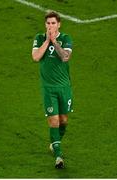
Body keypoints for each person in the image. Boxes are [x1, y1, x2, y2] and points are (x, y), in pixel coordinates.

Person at [32, 11, 73, 169]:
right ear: (45, 25)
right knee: (54, 121)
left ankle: (54, 143)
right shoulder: (39, 38)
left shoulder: (66, 39)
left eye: (53, 23)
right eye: (48, 23)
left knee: (64, 121)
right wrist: (47, 41)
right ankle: (58, 156)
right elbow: (36, 57)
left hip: (64, 88)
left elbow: (65, 57)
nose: (50, 26)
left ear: (59, 24)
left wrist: (55, 42)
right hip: (48, 89)